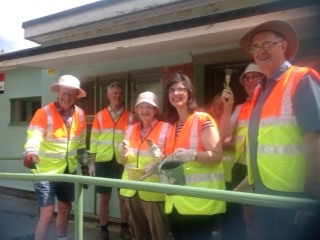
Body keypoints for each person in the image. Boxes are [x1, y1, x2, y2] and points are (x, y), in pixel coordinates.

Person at [239, 20, 320, 240]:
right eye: (255, 47)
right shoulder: (259, 90)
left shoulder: (301, 78)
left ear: (283, 46)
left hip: (292, 198)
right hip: (264, 194)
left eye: (267, 44)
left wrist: (310, 197)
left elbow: (315, 138)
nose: (260, 51)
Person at [23, 75, 87, 240]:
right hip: (45, 171)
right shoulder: (43, 112)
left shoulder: (80, 114)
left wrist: (85, 166)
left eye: (71, 94)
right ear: (57, 91)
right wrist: (31, 152)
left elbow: (81, 144)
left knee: (65, 208)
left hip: (68, 170)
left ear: (76, 95)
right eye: (64, 93)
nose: (67, 97)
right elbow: (34, 136)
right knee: (47, 212)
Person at [163, 72, 226, 240]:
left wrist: (192, 155)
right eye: (171, 90)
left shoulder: (202, 119)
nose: (175, 94)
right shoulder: (172, 127)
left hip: (199, 202)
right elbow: (172, 160)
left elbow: (216, 155)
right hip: (175, 201)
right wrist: (155, 166)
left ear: (189, 93)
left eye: (180, 89)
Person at [220, 63, 264, 240]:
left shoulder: (268, 102)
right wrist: (228, 106)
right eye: (247, 77)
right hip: (242, 168)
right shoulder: (240, 108)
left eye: (255, 76)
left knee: (263, 214)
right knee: (248, 216)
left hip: (263, 167)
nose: (250, 80)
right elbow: (224, 132)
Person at [119, 91, 172, 240]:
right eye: (141, 106)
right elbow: (123, 161)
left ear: (156, 110)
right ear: (136, 109)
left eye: (149, 106)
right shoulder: (129, 130)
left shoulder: (166, 128)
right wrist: (121, 154)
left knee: (159, 234)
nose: (145, 110)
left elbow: (171, 158)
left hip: (153, 190)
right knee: (138, 233)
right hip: (131, 188)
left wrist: (158, 163)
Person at [89, 82, 134, 240]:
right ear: (107, 95)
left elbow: (133, 139)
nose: (117, 95)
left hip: (122, 161)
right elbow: (93, 140)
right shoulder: (99, 116)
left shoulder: (130, 116)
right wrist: (92, 163)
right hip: (103, 160)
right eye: (114, 93)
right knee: (103, 197)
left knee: (123, 197)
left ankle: (124, 228)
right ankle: (103, 229)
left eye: (120, 93)